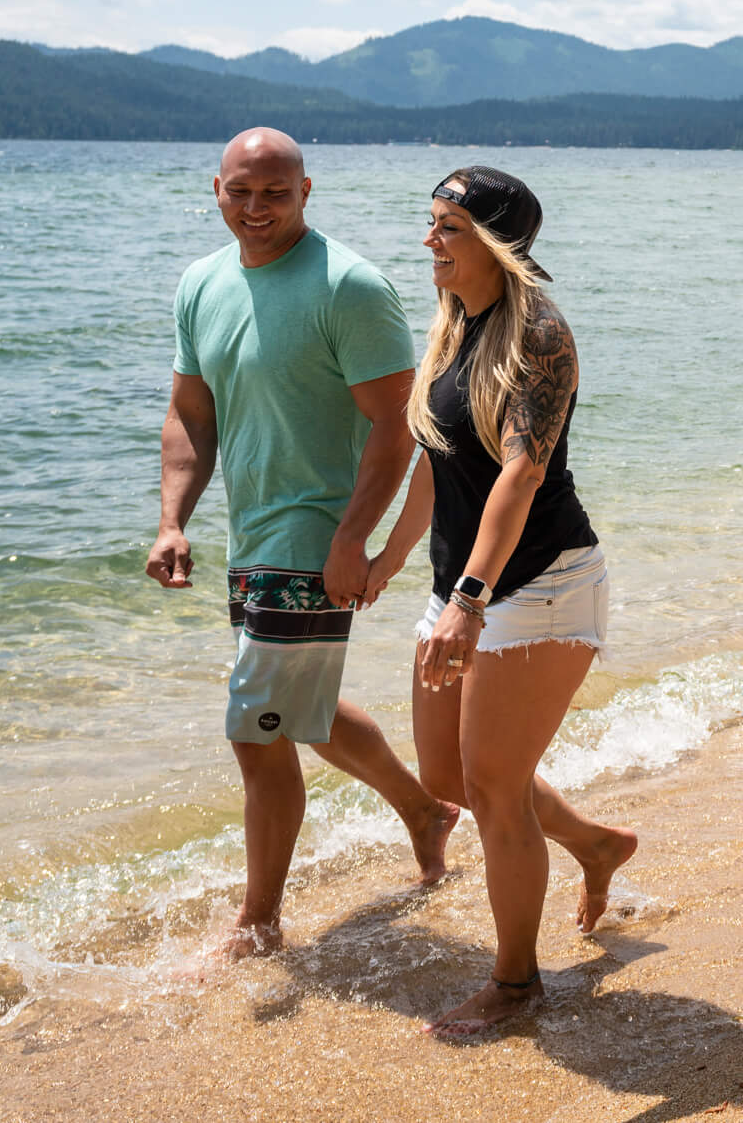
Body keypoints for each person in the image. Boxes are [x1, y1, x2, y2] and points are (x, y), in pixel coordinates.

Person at [146, 127, 461, 960]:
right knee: (295, 713)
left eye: (275, 194)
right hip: (251, 535)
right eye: (241, 193)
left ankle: (258, 925)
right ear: (216, 188)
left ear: (307, 192)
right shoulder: (200, 284)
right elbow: (192, 414)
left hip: (315, 536)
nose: (256, 210)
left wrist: (355, 541)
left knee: (255, 729)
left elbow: (397, 432)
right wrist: (174, 518)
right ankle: (426, 811)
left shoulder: (349, 286)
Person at [368, 165, 638, 1036]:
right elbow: (436, 459)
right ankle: (595, 844)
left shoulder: (538, 337)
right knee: (451, 778)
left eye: (446, 227)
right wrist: (388, 559)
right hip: (466, 582)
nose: (429, 241)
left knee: (492, 789)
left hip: (542, 583)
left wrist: (471, 601)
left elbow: (519, 474)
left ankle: (517, 985)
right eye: (431, 222)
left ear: (492, 242)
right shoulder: (454, 324)